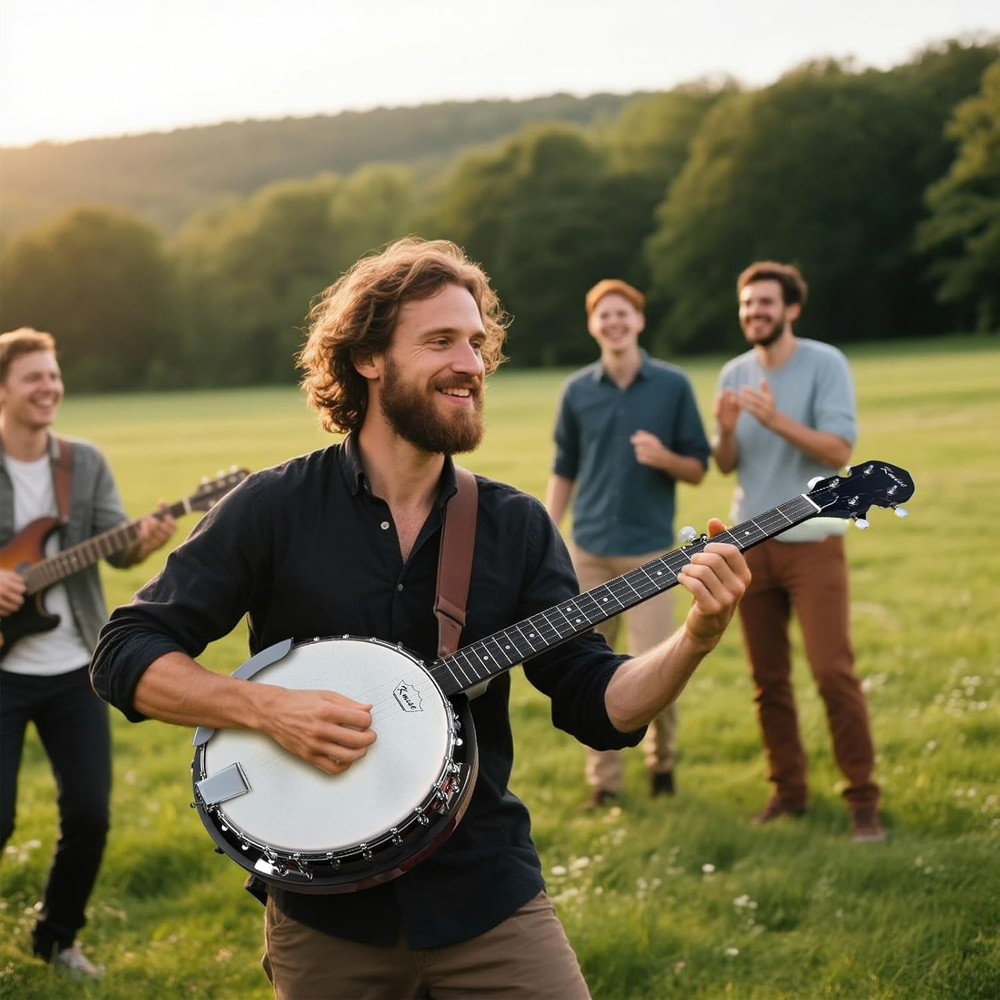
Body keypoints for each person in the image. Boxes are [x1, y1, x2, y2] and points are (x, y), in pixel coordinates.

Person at [89, 237, 749, 999]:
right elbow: (125, 650)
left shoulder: (515, 525)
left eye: (476, 343)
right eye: (440, 341)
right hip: (326, 916)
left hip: (487, 893)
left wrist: (695, 639)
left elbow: (595, 703)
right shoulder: (276, 507)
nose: (471, 363)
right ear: (368, 359)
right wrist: (271, 710)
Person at [0, 328, 177, 979]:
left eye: (53, 375)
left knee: (91, 815)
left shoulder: (85, 463)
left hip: (76, 666)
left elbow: (118, 546)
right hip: (3, 674)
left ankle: (56, 938)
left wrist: (147, 538)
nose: (49, 387)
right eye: (33, 378)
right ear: (3, 390)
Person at [711, 261, 885, 843]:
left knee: (833, 672)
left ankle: (864, 801)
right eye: (746, 304)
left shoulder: (824, 364)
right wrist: (730, 430)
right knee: (769, 680)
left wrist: (774, 419)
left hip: (814, 544)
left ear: (791, 310)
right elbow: (728, 464)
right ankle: (789, 794)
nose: (754, 312)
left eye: (765, 303)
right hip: (751, 546)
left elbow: (839, 451)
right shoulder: (733, 372)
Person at [545, 279, 710, 808]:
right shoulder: (577, 391)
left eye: (623, 314)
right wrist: (549, 529)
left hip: (649, 554)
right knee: (588, 670)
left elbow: (699, 468)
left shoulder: (673, 386)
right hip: (587, 548)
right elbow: (565, 468)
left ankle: (662, 768)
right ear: (594, 326)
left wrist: (664, 458)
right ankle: (605, 785)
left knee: (658, 663)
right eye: (603, 316)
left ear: (638, 321)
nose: (613, 323)